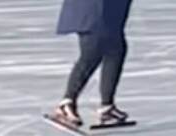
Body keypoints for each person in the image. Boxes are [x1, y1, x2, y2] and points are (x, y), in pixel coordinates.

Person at [49, 0, 135, 129]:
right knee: (92, 51)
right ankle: (66, 104)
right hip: (93, 10)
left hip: (109, 11)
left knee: (115, 49)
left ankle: (107, 107)